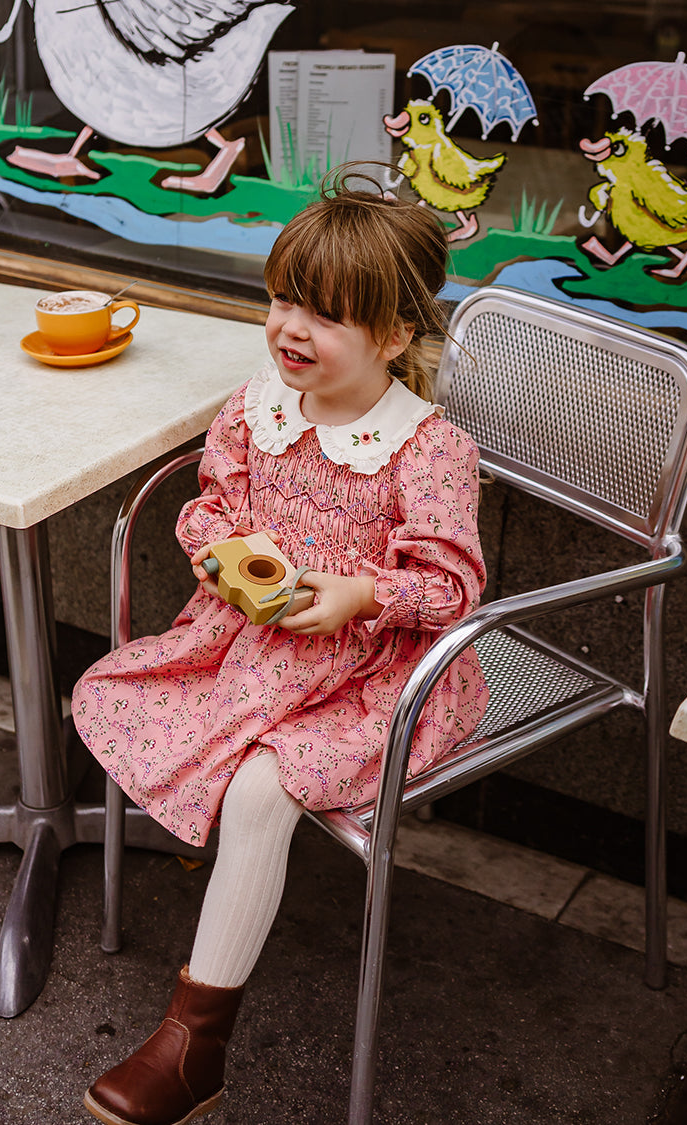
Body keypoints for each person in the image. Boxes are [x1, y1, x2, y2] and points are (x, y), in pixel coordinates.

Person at [72, 166, 490, 1125]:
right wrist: (218, 552)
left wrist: (361, 593)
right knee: (129, 692)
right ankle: (212, 880)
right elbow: (213, 502)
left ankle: (193, 1044)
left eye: (327, 315)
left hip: (383, 668)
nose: (292, 329)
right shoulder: (258, 405)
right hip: (255, 645)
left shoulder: (427, 447)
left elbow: (453, 587)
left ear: (394, 336)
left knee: (263, 791)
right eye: (284, 299)